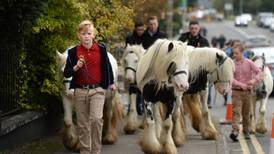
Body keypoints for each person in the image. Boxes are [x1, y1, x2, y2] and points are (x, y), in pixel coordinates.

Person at [64, 20, 115, 154]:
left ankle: (96, 151)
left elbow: (107, 67)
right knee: (82, 125)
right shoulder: (73, 52)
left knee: (96, 119)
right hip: (80, 91)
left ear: (93, 35)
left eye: (89, 33)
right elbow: (67, 72)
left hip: (97, 90)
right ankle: (86, 151)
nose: (86, 36)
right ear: (78, 35)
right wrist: (76, 67)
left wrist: (111, 83)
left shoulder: (101, 49)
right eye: (83, 34)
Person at [229, 43, 262, 142]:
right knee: (236, 112)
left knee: (246, 113)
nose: (234, 55)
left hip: (248, 92)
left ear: (242, 53)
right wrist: (241, 85)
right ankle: (235, 132)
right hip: (236, 92)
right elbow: (230, 78)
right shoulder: (231, 64)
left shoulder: (249, 63)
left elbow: (259, 72)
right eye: (233, 53)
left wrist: (254, 80)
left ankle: (246, 131)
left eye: (236, 53)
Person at [124, 21, 145, 115]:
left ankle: (140, 105)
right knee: (132, 86)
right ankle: (131, 106)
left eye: (142, 29)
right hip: (133, 63)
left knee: (140, 86)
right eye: (138, 29)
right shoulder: (129, 38)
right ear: (135, 29)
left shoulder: (146, 37)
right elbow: (128, 51)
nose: (140, 31)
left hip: (143, 62)